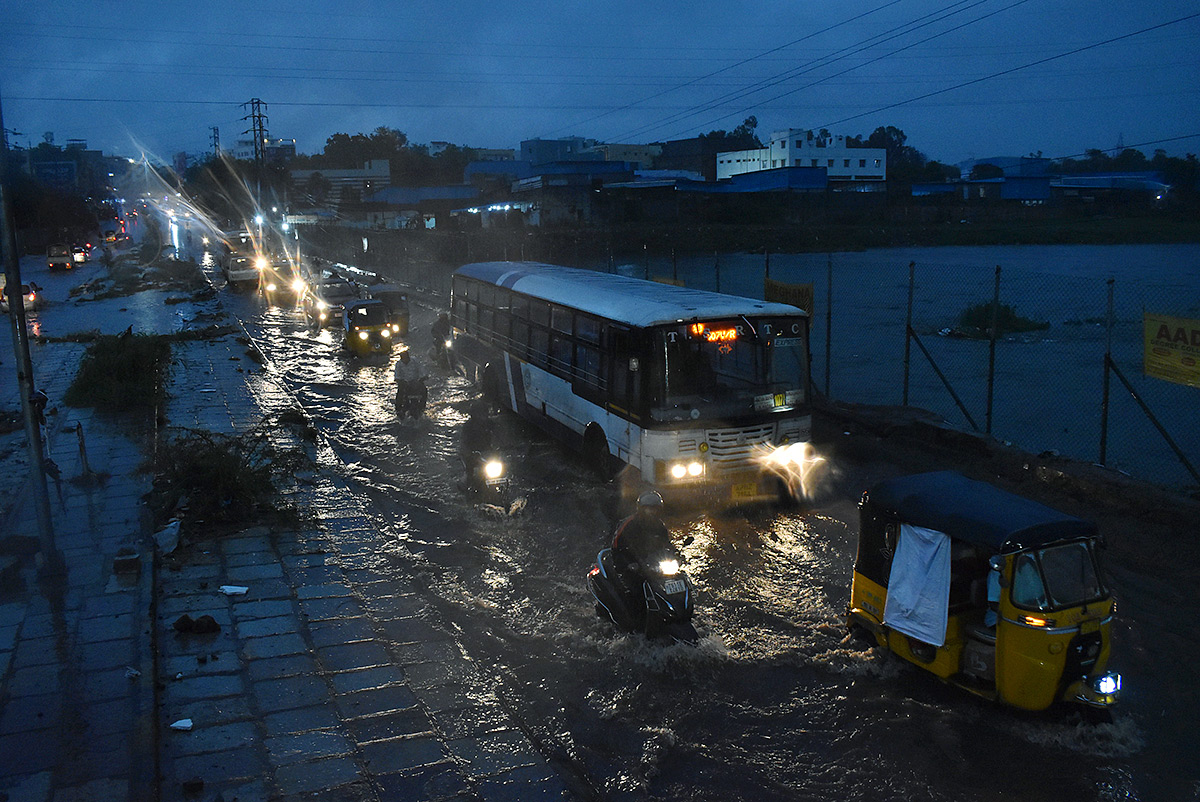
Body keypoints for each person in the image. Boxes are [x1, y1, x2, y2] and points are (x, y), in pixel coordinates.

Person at [611, 491, 674, 588]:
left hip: (652, 565)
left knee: (676, 578)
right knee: (636, 588)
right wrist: (628, 563)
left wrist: (676, 554)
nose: (653, 512)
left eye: (655, 509)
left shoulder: (659, 525)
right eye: (649, 509)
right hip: (631, 564)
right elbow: (616, 546)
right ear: (641, 509)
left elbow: (666, 544)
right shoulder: (629, 524)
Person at [393, 348, 427, 413]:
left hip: (416, 382)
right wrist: (399, 380)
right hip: (404, 383)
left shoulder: (415, 361)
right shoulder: (398, 364)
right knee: (400, 394)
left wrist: (423, 377)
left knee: (424, 391)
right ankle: (398, 409)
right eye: (403, 359)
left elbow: (422, 369)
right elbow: (397, 375)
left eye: (406, 358)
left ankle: (422, 407)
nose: (405, 360)